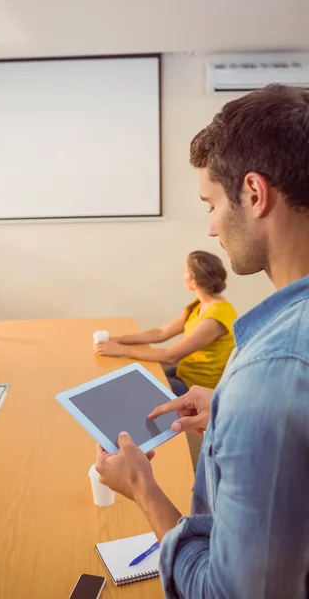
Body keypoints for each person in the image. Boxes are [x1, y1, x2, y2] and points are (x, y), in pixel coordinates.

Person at [95, 84, 309, 598]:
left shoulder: (273, 374)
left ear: (255, 194)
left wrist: (144, 491)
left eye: (211, 204)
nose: (211, 228)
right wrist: (229, 409)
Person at [94, 251, 237, 395]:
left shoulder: (214, 318)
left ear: (194, 283)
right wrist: (119, 340)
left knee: (130, 388)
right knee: (133, 374)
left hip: (196, 388)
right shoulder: (201, 304)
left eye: (185, 271)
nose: (182, 274)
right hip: (184, 372)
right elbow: (162, 332)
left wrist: (121, 350)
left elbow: (170, 356)